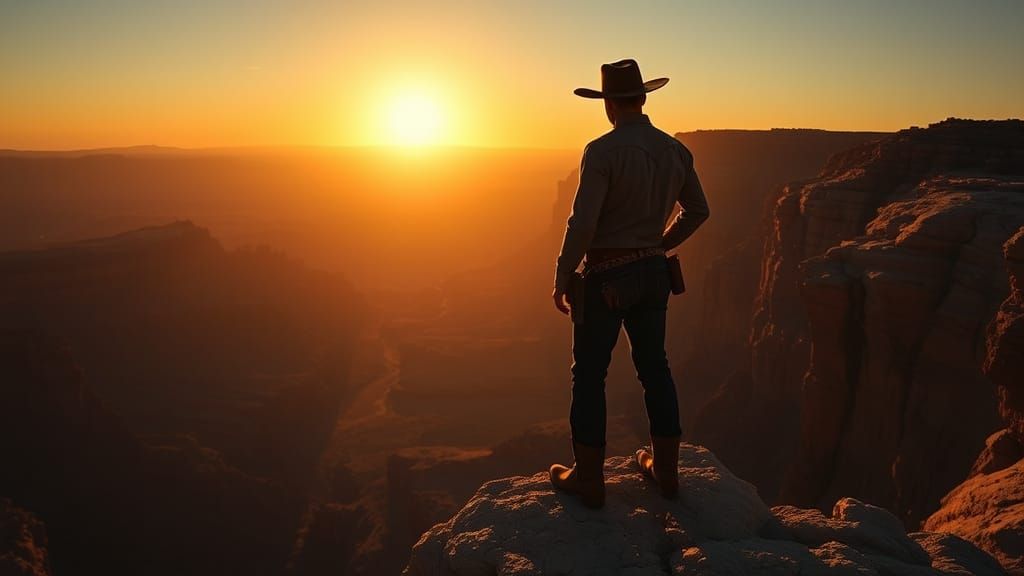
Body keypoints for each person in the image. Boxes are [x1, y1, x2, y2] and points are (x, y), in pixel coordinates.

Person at [549, 59, 710, 509]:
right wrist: (660, 243)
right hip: (654, 275)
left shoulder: (602, 151)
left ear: (609, 105)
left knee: (589, 375)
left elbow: (583, 222)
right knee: (655, 367)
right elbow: (698, 210)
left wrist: (563, 274)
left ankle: (589, 478)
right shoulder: (674, 151)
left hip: (605, 277)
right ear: (641, 98)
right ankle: (667, 472)